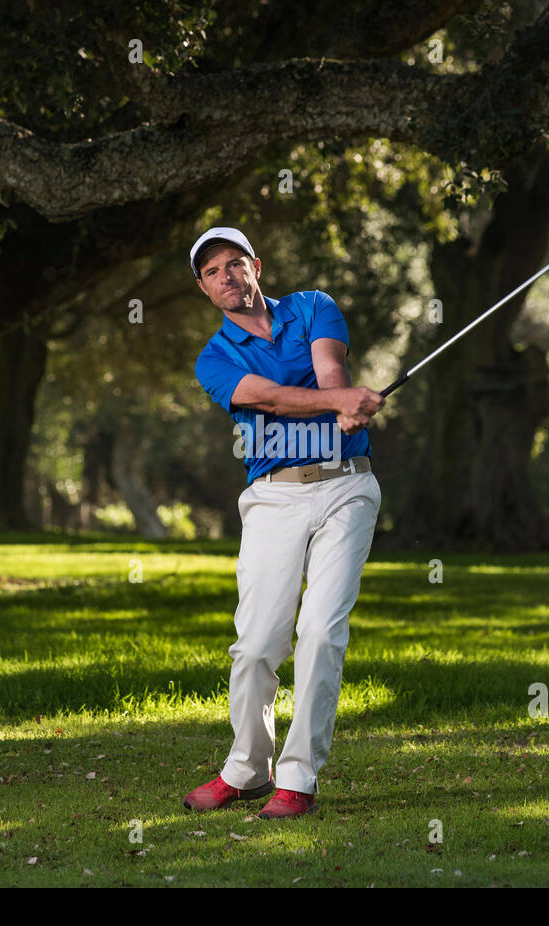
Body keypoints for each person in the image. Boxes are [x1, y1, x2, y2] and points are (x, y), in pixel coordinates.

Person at [184, 226, 385, 818]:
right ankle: (246, 769)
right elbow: (269, 397)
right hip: (273, 498)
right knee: (255, 646)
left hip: (347, 484)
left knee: (321, 631)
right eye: (214, 271)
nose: (227, 276)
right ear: (204, 288)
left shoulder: (313, 307)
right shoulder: (214, 358)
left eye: (235, 263)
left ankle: (298, 779)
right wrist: (337, 404)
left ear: (257, 266)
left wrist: (341, 401)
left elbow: (329, 373)